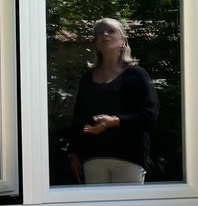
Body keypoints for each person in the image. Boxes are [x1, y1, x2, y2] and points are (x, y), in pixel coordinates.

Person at [68, 18, 160, 184]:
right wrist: (74, 153)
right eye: (99, 32)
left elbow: (149, 116)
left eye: (111, 31)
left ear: (123, 41)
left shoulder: (136, 74)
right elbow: (78, 117)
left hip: (128, 156)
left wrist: (113, 121)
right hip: (93, 156)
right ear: (96, 43)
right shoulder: (88, 78)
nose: (104, 34)